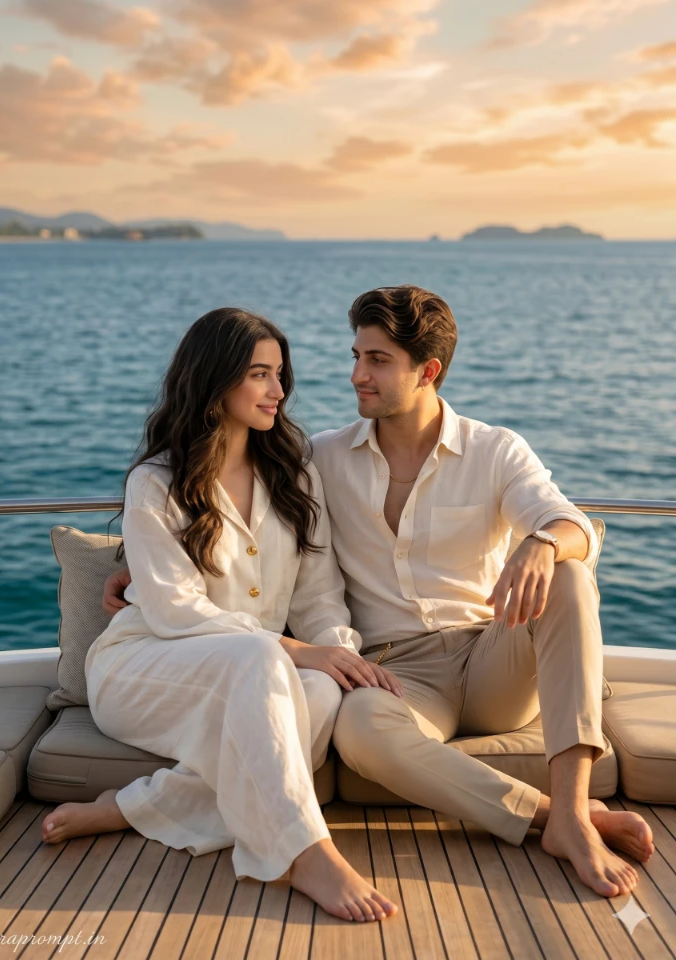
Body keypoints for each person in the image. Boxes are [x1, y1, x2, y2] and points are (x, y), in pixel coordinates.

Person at [103, 287, 655, 901]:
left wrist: (545, 544)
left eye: (377, 360)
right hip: (397, 672)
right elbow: (220, 510)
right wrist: (132, 560)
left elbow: (569, 523)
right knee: (357, 728)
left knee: (571, 575)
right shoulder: (318, 461)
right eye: (356, 355)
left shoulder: (495, 449)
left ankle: (575, 810)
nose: (355, 375)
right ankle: (551, 819)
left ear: (428, 371)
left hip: (491, 656)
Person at [41, 307, 400, 923]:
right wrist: (295, 651)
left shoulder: (295, 475)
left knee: (318, 692)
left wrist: (335, 652)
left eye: (280, 375)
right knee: (269, 654)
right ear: (216, 379)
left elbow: (318, 596)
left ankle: (129, 807)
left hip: (248, 669)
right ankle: (306, 851)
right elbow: (176, 611)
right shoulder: (156, 482)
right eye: (260, 375)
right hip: (143, 668)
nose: (278, 392)